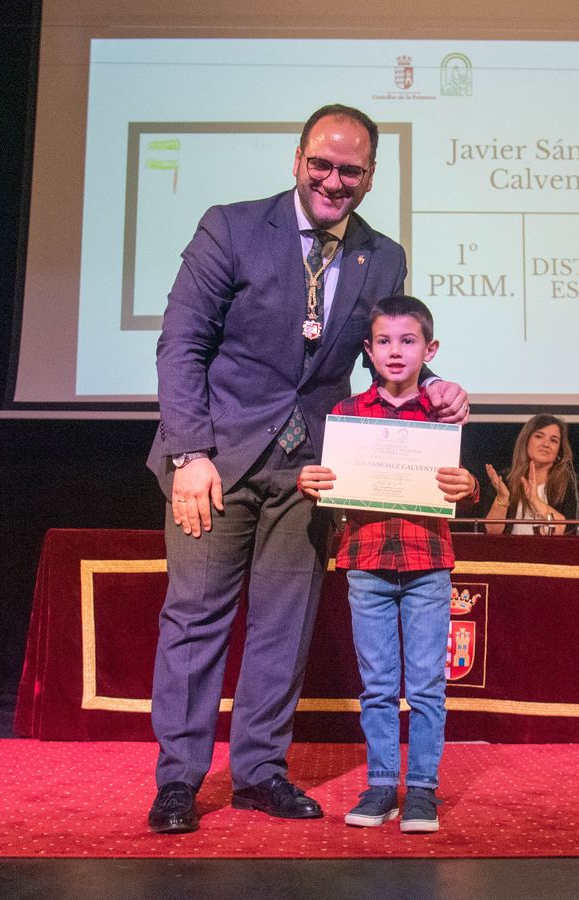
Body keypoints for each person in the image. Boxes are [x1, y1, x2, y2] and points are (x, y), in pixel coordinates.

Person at [145, 103, 469, 835]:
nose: (333, 179)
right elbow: (180, 347)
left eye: (350, 170)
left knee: (283, 626)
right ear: (298, 160)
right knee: (196, 620)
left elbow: (383, 354)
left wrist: (438, 388)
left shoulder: (382, 256)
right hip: (215, 462)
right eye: (321, 164)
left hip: (314, 470)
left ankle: (260, 772)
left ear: (371, 177)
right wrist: (189, 455)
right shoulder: (229, 226)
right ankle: (178, 781)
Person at [298, 295, 476, 834]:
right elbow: (331, 483)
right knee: (377, 685)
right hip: (367, 561)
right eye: (383, 342)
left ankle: (421, 788)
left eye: (408, 341)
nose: (395, 352)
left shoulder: (442, 413)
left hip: (427, 562)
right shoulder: (347, 415)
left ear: (430, 349)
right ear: (368, 351)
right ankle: (380, 784)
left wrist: (467, 487)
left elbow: (459, 483)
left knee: (425, 684)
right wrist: (312, 482)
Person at [482, 414, 579, 535]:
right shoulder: (504, 480)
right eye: (539, 436)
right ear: (526, 441)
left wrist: (535, 500)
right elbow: (491, 532)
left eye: (554, 440)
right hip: (509, 552)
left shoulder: (571, 483)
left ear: (560, 450)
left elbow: (571, 531)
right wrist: (502, 499)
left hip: (553, 552)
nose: (546, 444)